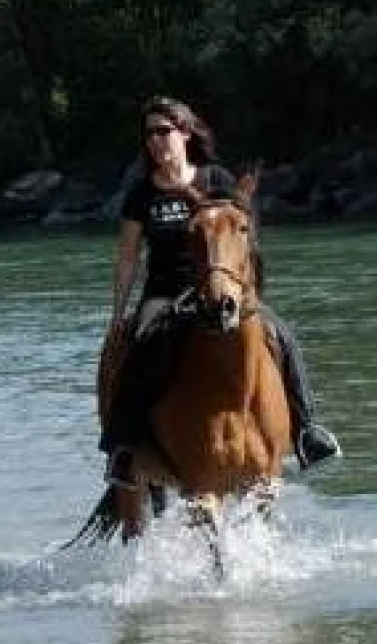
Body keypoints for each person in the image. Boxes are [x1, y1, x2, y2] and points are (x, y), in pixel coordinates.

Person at [102, 95, 340, 487]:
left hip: (225, 283)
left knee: (282, 336)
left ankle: (307, 432)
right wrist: (118, 313)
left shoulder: (216, 180)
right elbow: (128, 258)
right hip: (165, 291)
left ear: (185, 132)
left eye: (164, 131)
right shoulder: (141, 194)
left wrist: (243, 282)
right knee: (142, 344)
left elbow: (243, 235)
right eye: (149, 135)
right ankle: (124, 448)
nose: (156, 141)